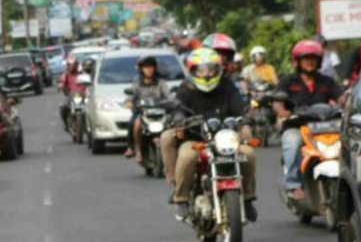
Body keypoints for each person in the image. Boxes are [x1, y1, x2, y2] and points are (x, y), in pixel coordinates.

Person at [159, 48, 258, 221]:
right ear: (193, 71)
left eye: (210, 69)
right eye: (201, 70)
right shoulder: (185, 89)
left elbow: (240, 107)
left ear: (218, 69)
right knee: (187, 157)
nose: (206, 74)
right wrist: (179, 118)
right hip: (196, 139)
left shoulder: (227, 87)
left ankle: (248, 198)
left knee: (248, 153)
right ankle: (181, 199)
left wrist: (248, 115)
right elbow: (177, 108)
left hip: (227, 138)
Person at [273, 39, 344, 201]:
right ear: (297, 61)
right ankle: (293, 184)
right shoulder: (288, 81)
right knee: (291, 140)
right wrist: (282, 112)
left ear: (319, 61)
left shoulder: (327, 81)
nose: (310, 62)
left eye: (313, 58)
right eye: (306, 58)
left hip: (326, 127)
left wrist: (348, 105)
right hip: (298, 126)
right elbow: (278, 102)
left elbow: (341, 98)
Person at [123, 56, 170, 163]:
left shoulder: (161, 82)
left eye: (151, 67)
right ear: (141, 69)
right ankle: (135, 149)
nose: (149, 69)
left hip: (160, 113)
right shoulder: (136, 82)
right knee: (134, 124)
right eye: (146, 67)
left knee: (172, 124)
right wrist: (129, 102)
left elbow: (168, 95)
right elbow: (130, 96)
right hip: (142, 112)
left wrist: (171, 102)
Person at [58, 56, 86, 128]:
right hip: (71, 96)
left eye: (74, 64)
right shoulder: (66, 75)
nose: (72, 67)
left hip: (81, 95)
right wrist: (61, 86)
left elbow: (87, 81)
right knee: (63, 107)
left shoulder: (81, 73)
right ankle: (66, 123)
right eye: (70, 65)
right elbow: (61, 82)